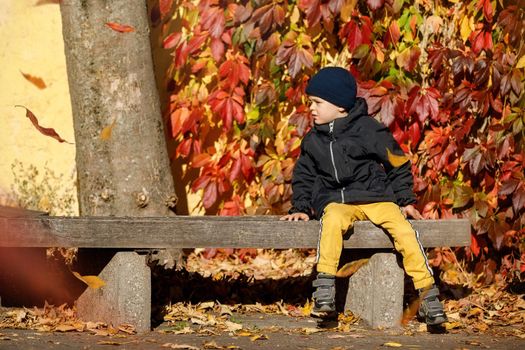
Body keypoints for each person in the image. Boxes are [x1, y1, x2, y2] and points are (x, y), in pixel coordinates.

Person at [280, 66, 447, 326]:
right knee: (332, 220)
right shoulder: (313, 140)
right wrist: (300, 207)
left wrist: (405, 200)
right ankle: (324, 291)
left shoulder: (369, 130)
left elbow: (397, 162)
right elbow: (304, 177)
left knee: (403, 231)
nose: (311, 108)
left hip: (376, 197)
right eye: (310, 102)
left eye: (317, 103)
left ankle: (428, 297)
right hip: (337, 201)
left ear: (340, 107)